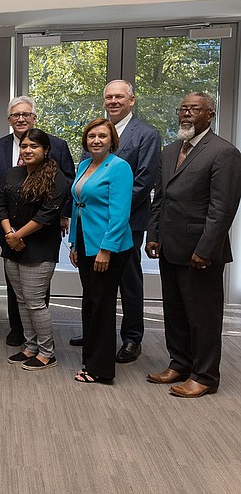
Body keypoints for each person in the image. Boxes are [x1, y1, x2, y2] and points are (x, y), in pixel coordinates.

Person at [146, 92, 241, 398]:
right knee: (174, 311)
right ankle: (180, 363)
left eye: (194, 109)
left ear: (209, 115)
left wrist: (206, 249)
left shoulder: (224, 153)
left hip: (201, 252)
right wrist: (153, 235)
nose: (186, 114)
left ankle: (205, 376)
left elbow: (222, 208)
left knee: (203, 317)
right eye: (183, 109)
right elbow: (160, 196)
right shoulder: (171, 149)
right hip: (170, 247)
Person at [69, 80, 161, 364]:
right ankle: (98, 331)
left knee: (128, 281)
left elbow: (144, 180)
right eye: (109, 96)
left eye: (119, 96)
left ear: (131, 100)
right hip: (92, 223)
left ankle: (132, 337)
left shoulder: (147, 134)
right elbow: (86, 179)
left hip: (127, 222)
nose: (113, 101)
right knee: (96, 284)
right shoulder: (96, 133)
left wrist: (113, 213)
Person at [0, 96, 75, 346]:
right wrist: (5, 230)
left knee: (35, 289)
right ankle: (19, 330)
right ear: (9, 119)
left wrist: (62, 215)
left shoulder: (56, 145)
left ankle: (40, 338)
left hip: (41, 229)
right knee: (15, 286)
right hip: (8, 229)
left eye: (26, 114)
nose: (21, 119)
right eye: (16, 115)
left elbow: (67, 182)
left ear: (35, 117)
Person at [0, 129, 69, 370]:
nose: (27, 150)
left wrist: (17, 235)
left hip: (39, 248)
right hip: (12, 245)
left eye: (33, 147)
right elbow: (0, 206)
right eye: (24, 146)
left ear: (45, 150)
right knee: (21, 300)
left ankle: (47, 352)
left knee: (35, 302)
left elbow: (46, 215)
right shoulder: (13, 173)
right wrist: (9, 234)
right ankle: (30, 346)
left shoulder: (56, 178)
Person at [69, 118, 134, 384]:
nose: (96, 140)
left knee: (103, 305)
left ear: (112, 140)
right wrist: (74, 242)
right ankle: (91, 358)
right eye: (92, 136)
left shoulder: (119, 168)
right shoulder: (85, 165)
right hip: (85, 242)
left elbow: (120, 214)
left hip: (109, 246)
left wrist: (106, 249)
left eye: (102, 136)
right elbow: (77, 206)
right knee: (90, 302)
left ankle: (101, 369)